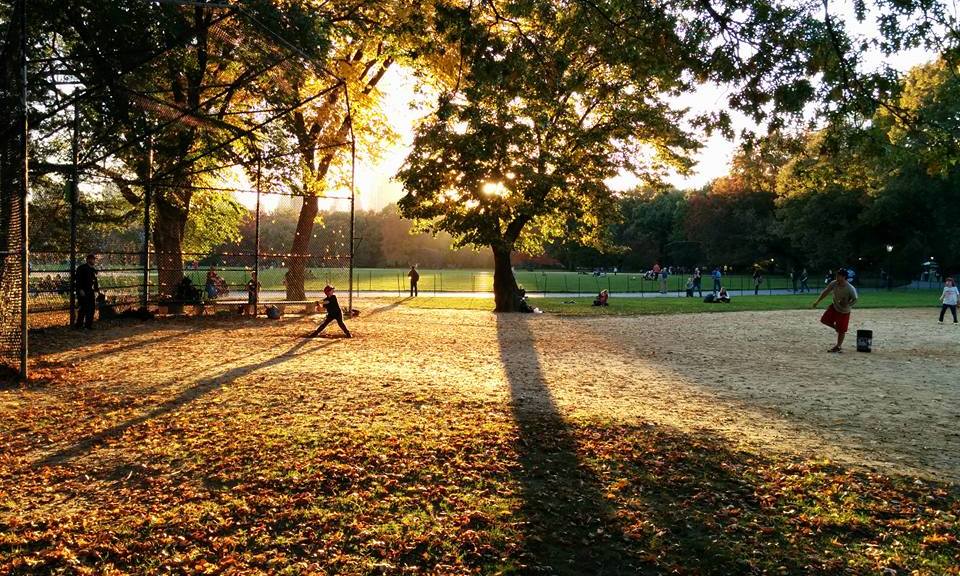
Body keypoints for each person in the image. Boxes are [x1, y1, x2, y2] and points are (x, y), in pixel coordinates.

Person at [813, 268, 858, 353]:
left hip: (844, 311)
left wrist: (847, 304)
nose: (837, 276)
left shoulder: (850, 288)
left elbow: (855, 299)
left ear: (844, 277)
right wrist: (817, 301)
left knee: (842, 330)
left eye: (839, 275)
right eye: (837, 275)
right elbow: (826, 292)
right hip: (835, 307)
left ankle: (838, 346)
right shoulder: (834, 283)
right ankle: (838, 329)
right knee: (824, 320)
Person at [74, 253, 100, 329]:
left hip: (90, 291)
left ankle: (88, 325)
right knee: (83, 308)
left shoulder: (93, 269)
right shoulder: (81, 268)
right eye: (92, 259)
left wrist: (97, 290)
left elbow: (95, 281)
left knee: (91, 309)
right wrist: (80, 289)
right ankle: (79, 325)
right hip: (83, 291)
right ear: (88, 260)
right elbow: (78, 280)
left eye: (94, 259)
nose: (94, 261)